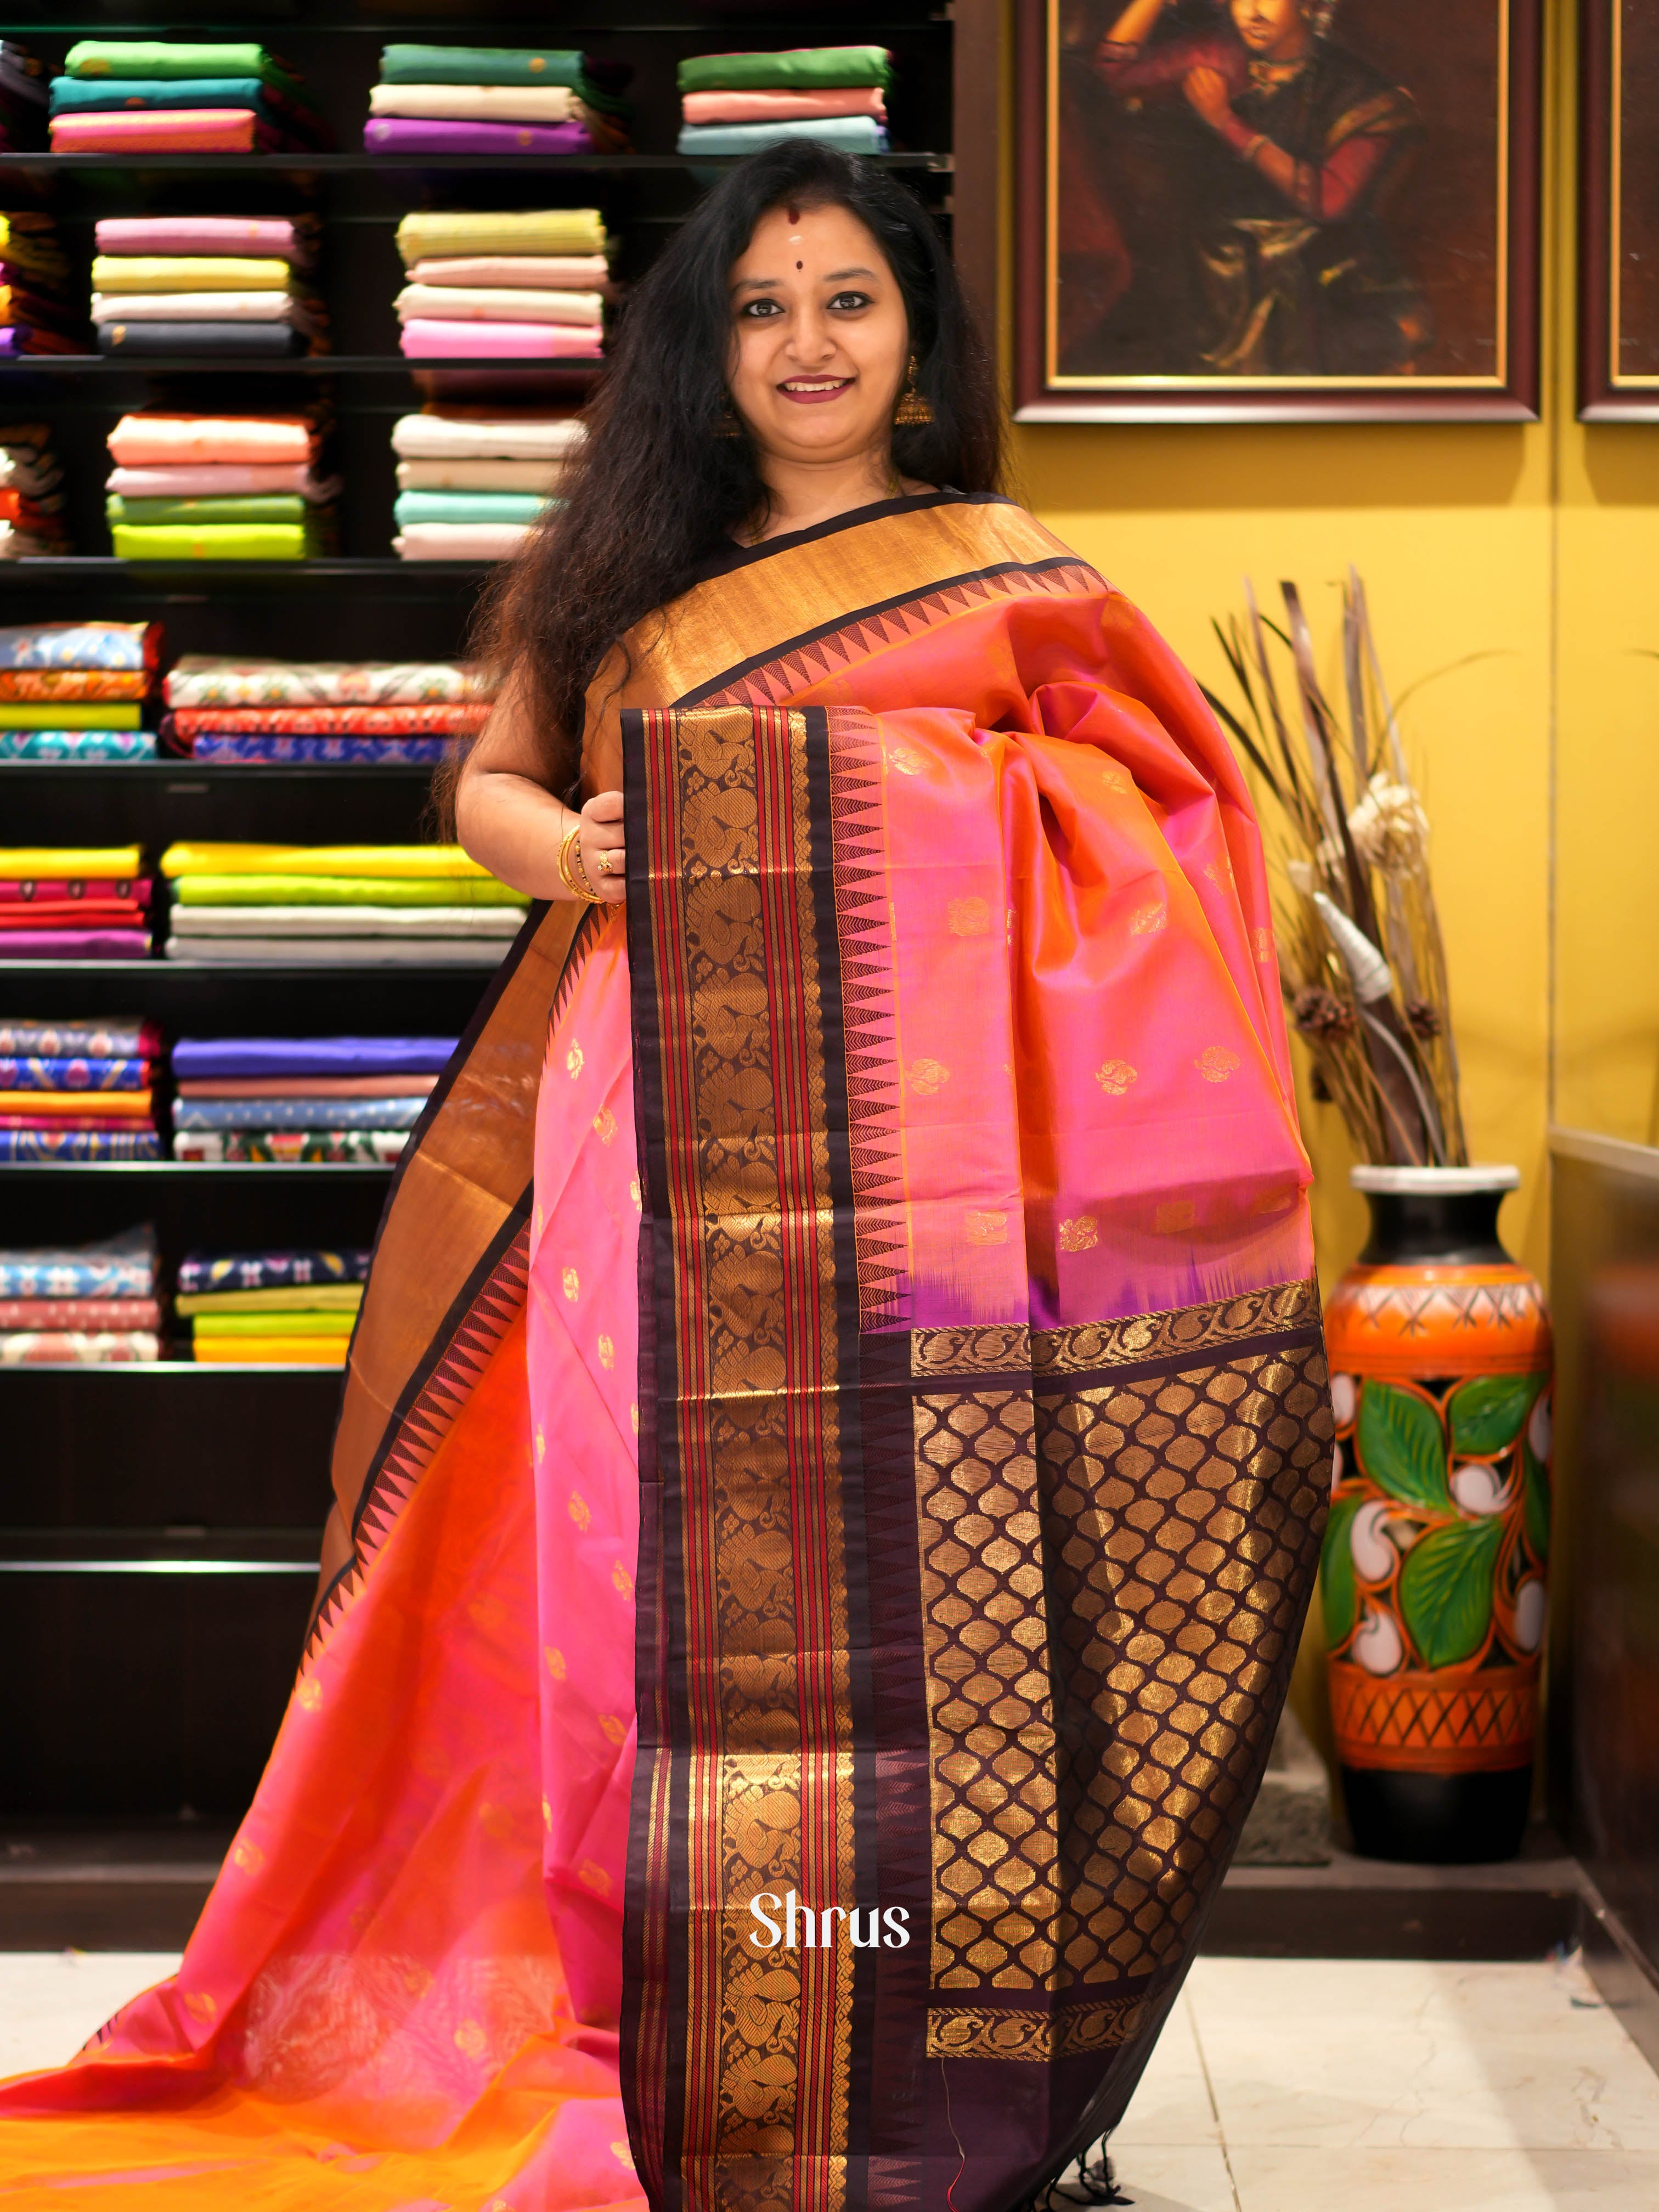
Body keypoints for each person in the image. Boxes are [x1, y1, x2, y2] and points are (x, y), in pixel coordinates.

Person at [0, 143, 1331, 2211]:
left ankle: (916, 2056)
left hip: (932, 1196)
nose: (806, 342)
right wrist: (582, 851)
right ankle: (652, 2037)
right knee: (654, 1585)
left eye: (847, 300)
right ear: (701, 350)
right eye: (759, 306)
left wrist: (928, 805)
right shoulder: (629, 553)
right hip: (655, 1144)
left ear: (913, 334)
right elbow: (491, 785)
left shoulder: (1003, 568)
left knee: (927, 1595)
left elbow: (1156, 817)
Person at [1072, 0, 1427, 375]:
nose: (1252, 12)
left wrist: (1226, 122)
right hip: (1214, 270)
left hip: (1320, 273)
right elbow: (1110, 73)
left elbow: (1328, 200)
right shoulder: (1217, 56)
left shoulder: (1360, 92)